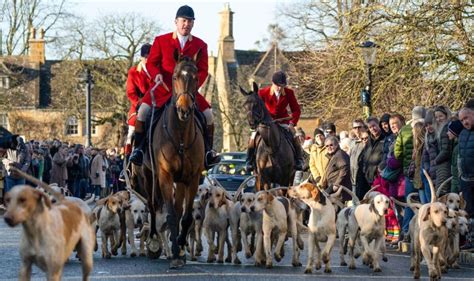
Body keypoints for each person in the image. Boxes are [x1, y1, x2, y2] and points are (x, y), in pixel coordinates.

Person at [130, 5, 220, 167]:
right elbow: (151, 63)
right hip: (163, 88)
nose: (186, 24)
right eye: (184, 21)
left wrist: (192, 84)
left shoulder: (200, 45)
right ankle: (139, 149)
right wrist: (156, 73)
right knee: (142, 112)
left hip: (187, 91)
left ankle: (208, 152)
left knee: (209, 116)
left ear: (193, 24)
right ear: (176, 22)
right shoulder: (161, 40)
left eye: (190, 21)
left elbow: (204, 70)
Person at [245, 70, 304, 171]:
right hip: (266, 123)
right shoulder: (262, 93)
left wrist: (292, 123)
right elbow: (257, 108)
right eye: (278, 85)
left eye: (282, 85)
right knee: (253, 136)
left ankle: (299, 160)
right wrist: (258, 121)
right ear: (273, 83)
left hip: (283, 122)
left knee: (294, 135)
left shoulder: (289, 93)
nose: (280, 88)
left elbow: (296, 110)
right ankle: (249, 161)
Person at [394, 105, 425, 242]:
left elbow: (397, 153)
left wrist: (405, 164)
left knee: (409, 203)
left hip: (409, 171)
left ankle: (406, 231)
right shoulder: (427, 128)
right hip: (423, 171)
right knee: (424, 203)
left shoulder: (404, 130)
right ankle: (423, 232)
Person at [124, 43, 152, 156]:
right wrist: (139, 103)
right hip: (140, 105)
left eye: (150, 57)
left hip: (158, 102)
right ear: (141, 57)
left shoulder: (158, 70)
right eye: (146, 57)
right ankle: (129, 158)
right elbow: (130, 93)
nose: (148, 59)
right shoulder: (134, 72)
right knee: (131, 132)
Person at [458, 106, 474, 250]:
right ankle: (470, 241)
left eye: (466, 118)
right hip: (466, 178)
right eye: (462, 120)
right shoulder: (462, 134)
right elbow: (460, 157)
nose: (464, 122)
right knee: (469, 211)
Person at [320, 136, 351, 202]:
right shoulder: (334, 155)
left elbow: (344, 169)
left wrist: (336, 185)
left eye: (331, 145)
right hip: (334, 189)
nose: (329, 147)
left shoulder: (339, 155)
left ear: (337, 145)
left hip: (340, 191)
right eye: (327, 146)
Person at [433, 105, 453, 195]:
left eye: (441, 116)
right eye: (436, 117)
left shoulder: (446, 128)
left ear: (446, 115)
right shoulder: (440, 129)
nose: (438, 119)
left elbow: (446, 150)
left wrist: (436, 160)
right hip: (442, 163)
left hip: (445, 164)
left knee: (442, 192)